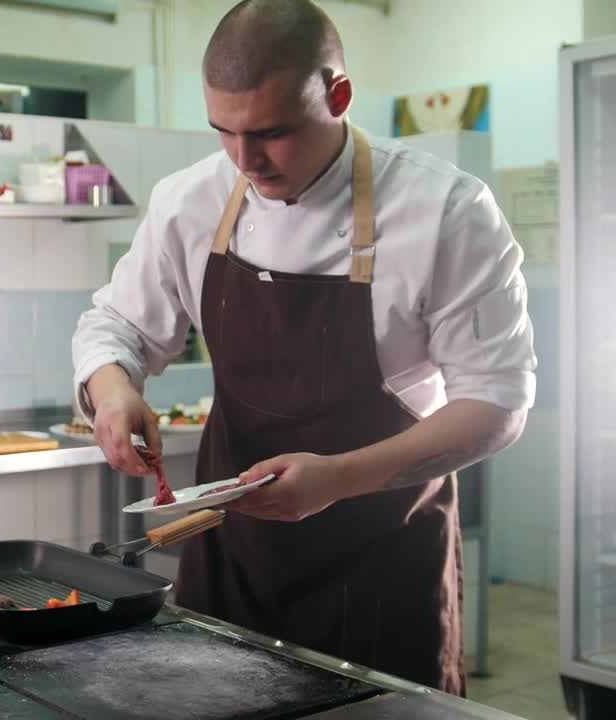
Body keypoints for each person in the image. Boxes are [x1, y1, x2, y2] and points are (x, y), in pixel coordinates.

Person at [71, 0, 536, 696]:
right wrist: (113, 393)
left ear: (338, 97)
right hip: (231, 560)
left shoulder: (447, 212)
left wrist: (339, 478)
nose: (245, 160)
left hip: (384, 567)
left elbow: (497, 402)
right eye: (224, 132)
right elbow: (115, 326)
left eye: (272, 133)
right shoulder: (189, 201)